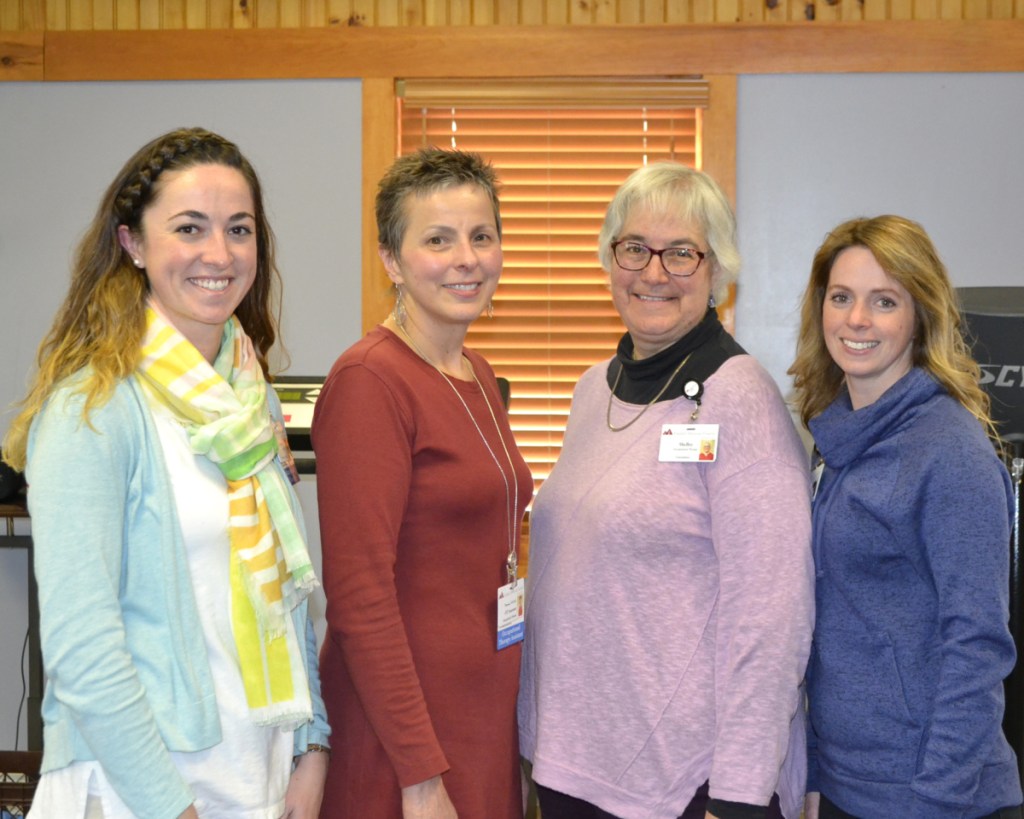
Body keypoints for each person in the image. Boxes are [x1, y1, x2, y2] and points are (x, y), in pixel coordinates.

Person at [2, 127, 330, 819]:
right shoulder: (91, 409)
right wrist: (168, 808)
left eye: (239, 229)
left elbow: (288, 592)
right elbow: (83, 647)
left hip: (258, 773)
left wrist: (313, 746)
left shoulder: (250, 399)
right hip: (134, 791)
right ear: (132, 244)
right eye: (190, 227)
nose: (219, 253)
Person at [517, 162, 815, 819]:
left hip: (684, 785)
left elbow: (771, 619)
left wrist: (735, 796)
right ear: (609, 258)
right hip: (575, 763)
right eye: (634, 248)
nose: (654, 273)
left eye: (681, 252)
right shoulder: (592, 388)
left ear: (718, 271)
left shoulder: (741, 400)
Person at [311, 147, 532, 818]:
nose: (467, 258)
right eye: (437, 239)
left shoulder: (479, 374)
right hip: (402, 739)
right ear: (392, 260)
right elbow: (358, 596)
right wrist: (418, 773)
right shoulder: (370, 381)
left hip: (480, 716)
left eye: (481, 236)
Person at [790, 215, 1023, 819]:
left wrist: (937, 803)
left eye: (884, 301)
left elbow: (976, 646)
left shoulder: (950, 452)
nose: (856, 320)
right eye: (841, 297)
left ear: (920, 315)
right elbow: (831, 626)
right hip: (848, 786)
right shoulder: (839, 436)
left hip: (934, 799)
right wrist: (815, 774)